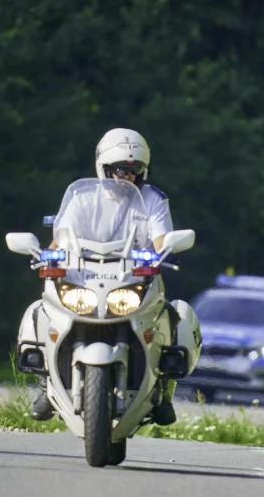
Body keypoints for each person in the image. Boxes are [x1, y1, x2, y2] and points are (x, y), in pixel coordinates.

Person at [20, 128, 179, 426]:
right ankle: (46, 385)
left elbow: (162, 241)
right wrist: (47, 253)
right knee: (39, 313)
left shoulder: (153, 200)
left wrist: (166, 249)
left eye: (134, 170)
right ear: (104, 169)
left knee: (172, 316)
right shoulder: (82, 198)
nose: (126, 176)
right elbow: (62, 236)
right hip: (85, 277)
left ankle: (161, 391)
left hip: (133, 280)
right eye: (120, 169)